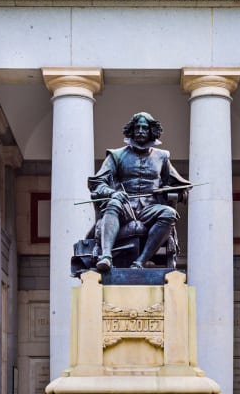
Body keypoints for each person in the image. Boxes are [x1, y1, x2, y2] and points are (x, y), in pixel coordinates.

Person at [78, 112, 190, 274]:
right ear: (131, 130)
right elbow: (97, 183)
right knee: (114, 203)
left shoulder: (162, 157)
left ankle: (140, 261)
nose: (141, 131)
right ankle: (106, 257)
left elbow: (179, 185)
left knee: (169, 213)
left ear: (152, 131)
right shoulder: (116, 156)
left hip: (149, 209)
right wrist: (112, 193)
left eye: (145, 128)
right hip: (124, 207)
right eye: (137, 127)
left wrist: (172, 191)